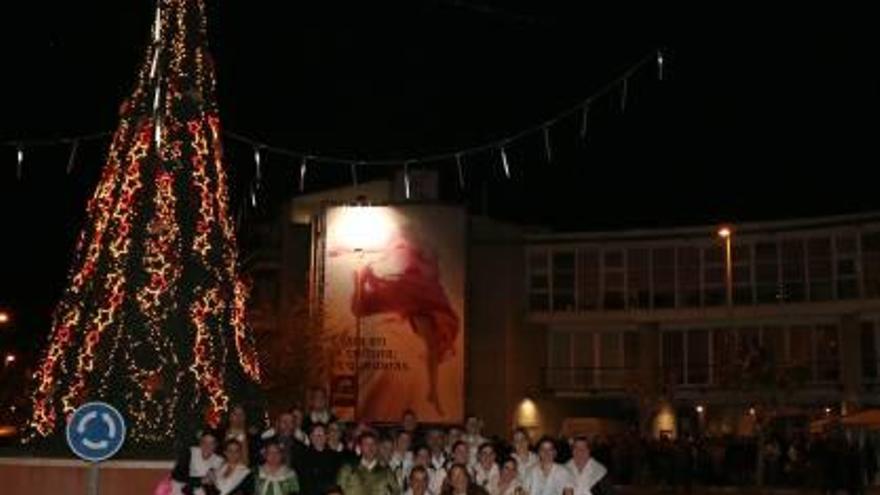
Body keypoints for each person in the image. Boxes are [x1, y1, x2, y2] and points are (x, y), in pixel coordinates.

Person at [337, 431, 401, 495]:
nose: (370, 447)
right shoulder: (349, 468)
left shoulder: (386, 472)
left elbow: (396, 491)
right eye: (366, 444)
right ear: (360, 447)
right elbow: (338, 490)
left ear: (377, 447)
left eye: (373, 444)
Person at [170, 429, 225, 495]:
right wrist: (201, 480)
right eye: (204, 442)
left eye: (211, 443)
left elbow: (217, 484)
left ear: (216, 445)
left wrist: (213, 480)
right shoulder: (190, 453)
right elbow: (177, 475)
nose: (207, 446)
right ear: (200, 443)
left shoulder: (219, 461)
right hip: (180, 490)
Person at [300, 423, 342, 495]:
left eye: (321, 434)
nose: (319, 437)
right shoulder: (302, 457)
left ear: (326, 436)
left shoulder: (335, 456)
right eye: (316, 434)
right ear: (310, 437)